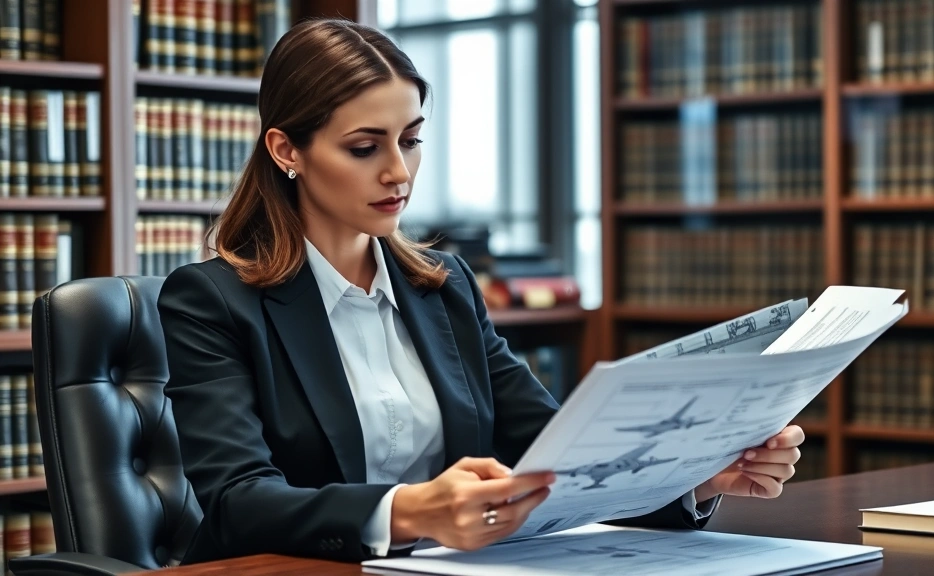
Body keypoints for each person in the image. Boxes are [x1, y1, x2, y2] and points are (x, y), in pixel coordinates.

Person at [157, 18, 805, 565]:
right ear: (285, 149)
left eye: (411, 140)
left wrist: (688, 476)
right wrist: (410, 510)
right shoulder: (211, 301)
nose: (398, 171)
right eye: (363, 147)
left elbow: (552, 449)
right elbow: (238, 502)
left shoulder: (443, 286)